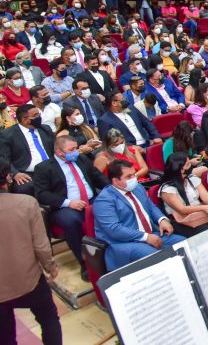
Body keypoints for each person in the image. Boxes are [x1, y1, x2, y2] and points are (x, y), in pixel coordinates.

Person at [0, 158, 63, 345]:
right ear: (8, 178)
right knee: (49, 320)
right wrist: (50, 267)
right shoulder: (26, 203)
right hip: (30, 280)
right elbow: (41, 245)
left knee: (5, 336)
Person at [34, 136, 108, 280]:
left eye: (76, 148)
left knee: (110, 206)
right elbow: (42, 194)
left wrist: (112, 190)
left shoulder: (82, 159)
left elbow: (97, 177)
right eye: (72, 149)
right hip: (65, 206)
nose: (76, 152)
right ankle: (86, 263)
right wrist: (68, 202)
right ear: (59, 152)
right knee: (71, 221)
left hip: (91, 199)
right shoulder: (44, 168)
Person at [93, 159, 184, 270]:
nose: (134, 179)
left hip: (151, 233)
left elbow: (150, 206)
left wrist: (162, 219)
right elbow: (114, 229)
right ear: (115, 181)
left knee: (183, 244)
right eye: (128, 177)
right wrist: (145, 237)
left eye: (134, 174)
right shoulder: (104, 200)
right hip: (125, 243)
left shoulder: (137, 188)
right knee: (158, 259)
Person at [157, 152, 208, 238]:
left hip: (199, 216)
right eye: (188, 164)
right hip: (182, 221)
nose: (191, 166)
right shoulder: (167, 189)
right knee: (207, 233)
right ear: (180, 169)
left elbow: (206, 198)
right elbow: (182, 210)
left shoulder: (192, 178)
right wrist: (205, 207)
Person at [0, 104, 55, 195]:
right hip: (27, 173)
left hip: (52, 168)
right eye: (35, 116)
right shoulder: (7, 134)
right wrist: (15, 173)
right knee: (23, 188)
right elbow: (4, 158)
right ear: (24, 119)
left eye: (39, 114)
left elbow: (56, 148)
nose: (39, 117)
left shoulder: (45, 129)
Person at [98, 92, 162, 147]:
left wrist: (156, 136)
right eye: (122, 99)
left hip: (147, 142)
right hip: (130, 150)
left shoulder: (131, 108)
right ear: (114, 103)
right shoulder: (104, 120)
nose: (125, 100)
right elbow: (110, 143)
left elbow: (147, 122)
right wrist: (131, 148)